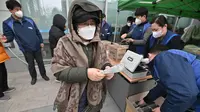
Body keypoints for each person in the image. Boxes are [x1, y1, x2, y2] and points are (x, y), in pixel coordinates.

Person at [51, 0, 114, 112]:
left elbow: (104, 60)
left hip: (95, 93)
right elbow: (58, 70)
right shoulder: (65, 43)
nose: (89, 27)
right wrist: (86, 73)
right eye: (84, 23)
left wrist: (108, 68)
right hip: (75, 95)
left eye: (92, 23)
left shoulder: (99, 43)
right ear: (74, 25)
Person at [139, 45, 200, 112]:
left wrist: (164, 110)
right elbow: (162, 86)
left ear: (149, 55)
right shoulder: (174, 59)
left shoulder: (164, 57)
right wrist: (147, 99)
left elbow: (185, 94)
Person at [2, 0, 49, 85]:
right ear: (10, 10)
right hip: (26, 48)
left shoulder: (29, 20)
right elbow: (9, 36)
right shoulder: (8, 23)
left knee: (40, 62)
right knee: (30, 64)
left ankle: (44, 75)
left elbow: (37, 31)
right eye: (16, 10)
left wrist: (41, 42)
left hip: (37, 46)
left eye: (20, 9)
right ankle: (33, 77)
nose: (19, 11)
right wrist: (6, 39)